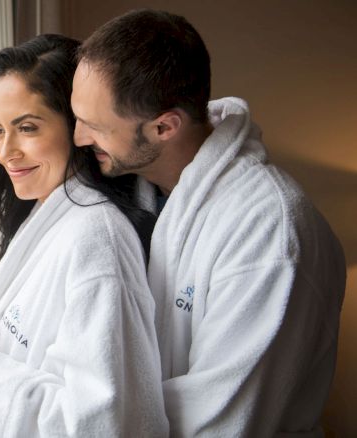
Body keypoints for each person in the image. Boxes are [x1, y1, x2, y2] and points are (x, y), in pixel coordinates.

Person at [71, 9, 346, 437]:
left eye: (95, 126)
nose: (79, 139)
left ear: (165, 127)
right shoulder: (139, 199)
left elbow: (220, 424)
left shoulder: (270, 235)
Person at [0, 34, 168, 437]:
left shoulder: (97, 240)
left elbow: (105, 423)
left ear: (78, 127)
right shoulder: (50, 219)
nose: (5, 151)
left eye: (26, 127)